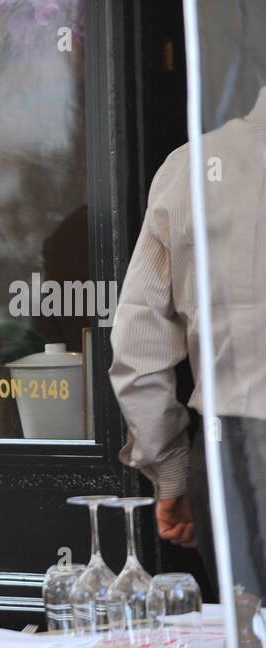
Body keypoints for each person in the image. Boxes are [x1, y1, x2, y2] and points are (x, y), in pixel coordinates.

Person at [109, 86, 266, 599]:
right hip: (228, 455)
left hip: (234, 456)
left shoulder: (193, 167)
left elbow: (139, 342)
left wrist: (172, 473)